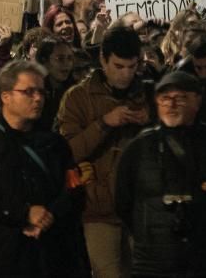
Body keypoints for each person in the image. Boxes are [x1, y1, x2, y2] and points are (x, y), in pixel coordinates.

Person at [0, 60, 85, 278]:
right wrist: (24, 213)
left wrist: (51, 214)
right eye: (29, 92)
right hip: (1, 259)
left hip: (51, 258)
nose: (38, 98)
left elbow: (74, 188)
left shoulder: (55, 144)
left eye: (42, 92)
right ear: (5, 96)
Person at [114, 70, 206, 277]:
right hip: (153, 261)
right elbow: (123, 201)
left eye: (181, 98)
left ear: (197, 101)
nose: (172, 104)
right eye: (165, 98)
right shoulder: (139, 147)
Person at [57, 25, 151, 278]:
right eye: (119, 67)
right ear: (103, 59)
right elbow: (67, 151)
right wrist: (104, 123)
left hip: (140, 208)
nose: (126, 75)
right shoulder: (78, 97)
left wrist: (151, 124)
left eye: (132, 67)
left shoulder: (149, 94)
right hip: (97, 209)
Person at [33, 37, 77, 131]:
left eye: (69, 58)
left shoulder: (76, 92)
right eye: (60, 59)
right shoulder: (34, 92)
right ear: (44, 61)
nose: (66, 63)